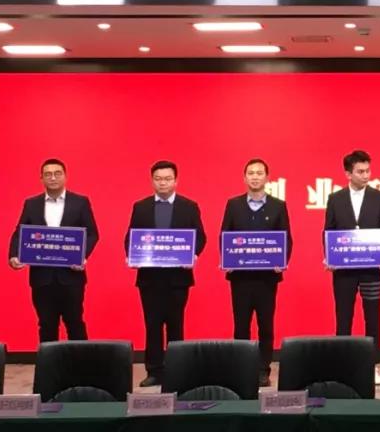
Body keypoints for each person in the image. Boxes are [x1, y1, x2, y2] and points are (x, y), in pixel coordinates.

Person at [124, 160, 207, 387]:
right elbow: (131, 237)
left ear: (176, 181)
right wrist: (131, 256)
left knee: (175, 324)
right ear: (152, 181)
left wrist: (193, 255)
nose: (163, 183)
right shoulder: (141, 207)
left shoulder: (189, 206)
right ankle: (154, 371)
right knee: (152, 325)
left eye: (168, 179)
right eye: (158, 179)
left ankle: (176, 369)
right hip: (149, 278)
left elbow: (200, 236)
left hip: (178, 278)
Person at [7, 158, 99, 343]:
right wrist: (14, 256)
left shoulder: (80, 202)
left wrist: (82, 256)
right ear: (41, 178)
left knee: (75, 323)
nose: (53, 178)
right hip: (42, 277)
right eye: (48, 174)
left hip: (71, 276)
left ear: (65, 176)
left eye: (57, 173)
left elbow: (92, 234)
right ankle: (49, 363)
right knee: (46, 325)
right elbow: (20, 233)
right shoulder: (31, 203)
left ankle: (82, 361)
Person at [220, 158, 293, 387]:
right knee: (241, 324)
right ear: (244, 178)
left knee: (265, 324)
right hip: (240, 277)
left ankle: (263, 370)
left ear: (267, 178)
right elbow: (224, 236)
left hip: (267, 278)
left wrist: (281, 261)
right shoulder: (233, 205)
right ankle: (241, 367)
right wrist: (227, 259)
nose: (255, 177)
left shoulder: (278, 206)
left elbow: (286, 238)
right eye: (251, 173)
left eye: (259, 173)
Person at [324, 149, 380, 385]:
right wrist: (329, 257)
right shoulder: (335, 198)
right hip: (343, 269)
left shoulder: (379, 197)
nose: (366, 175)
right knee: (343, 316)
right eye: (360, 171)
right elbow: (328, 231)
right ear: (348, 174)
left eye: (367, 171)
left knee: (372, 316)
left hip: (372, 268)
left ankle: (372, 365)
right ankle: (342, 364)